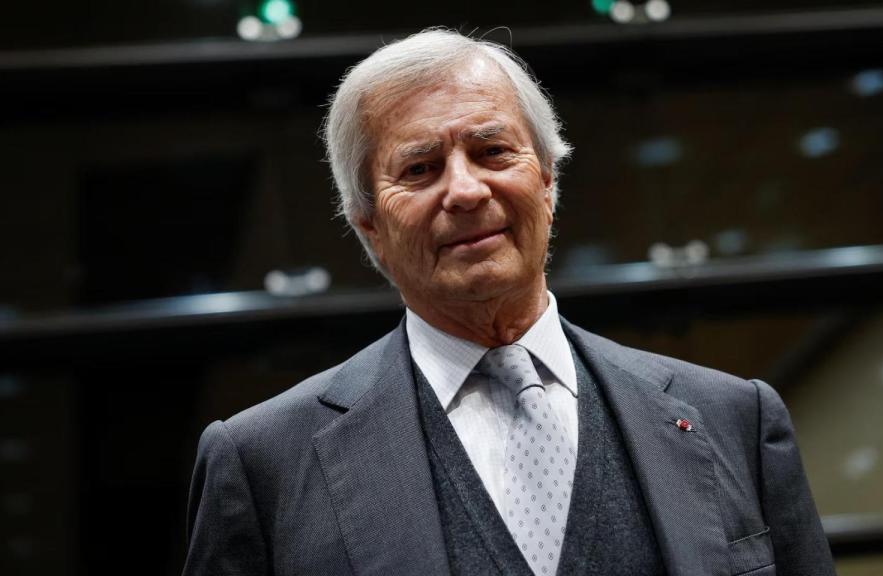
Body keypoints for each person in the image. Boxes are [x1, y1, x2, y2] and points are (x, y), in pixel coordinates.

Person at [183, 29, 835, 576]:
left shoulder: (735, 421)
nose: (464, 191)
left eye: (492, 151)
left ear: (548, 181)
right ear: (369, 227)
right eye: (419, 169)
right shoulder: (263, 463)